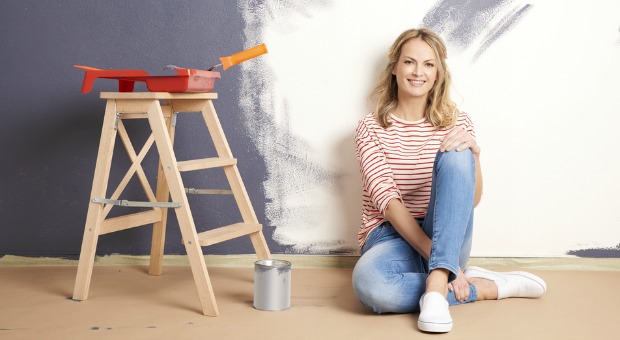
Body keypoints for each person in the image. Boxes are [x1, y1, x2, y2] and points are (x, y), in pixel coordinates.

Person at [351, 28, 547, 333]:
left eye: (429, 64)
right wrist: (444, 261)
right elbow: (388, 204)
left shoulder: (457, 122)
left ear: (439, 72)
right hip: (389, 237)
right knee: (369, 285)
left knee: (458, 151)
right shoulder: (370, 127)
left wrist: (475, 156)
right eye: (409, 62)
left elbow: (472, 200)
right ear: (394, 68)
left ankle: (438, 282)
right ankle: (481, 286)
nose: (418, 72)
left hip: (447, 232)